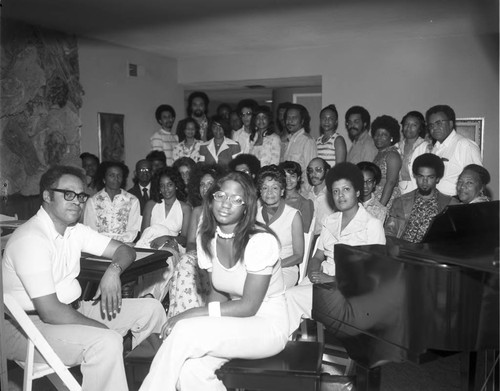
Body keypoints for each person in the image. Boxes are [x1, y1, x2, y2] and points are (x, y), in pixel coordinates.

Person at [2, 166, 165, 391]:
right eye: (68, 194)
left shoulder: (74, 231)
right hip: (26, 327)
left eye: (80, 196)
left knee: (151, 309)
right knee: (107, 342)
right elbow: (50, 312)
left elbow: (126, 250)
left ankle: (151, 385)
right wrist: (101, 328)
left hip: (73, 310)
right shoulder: (31, 239)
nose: (77, 201)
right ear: (47, 196)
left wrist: (113, 271)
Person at [139, 172, 289, 391]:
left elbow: (249, 306)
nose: (226, 204)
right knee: (190, 370)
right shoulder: (207, 238)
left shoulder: (261, 241)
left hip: (267, 325)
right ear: (211, 199)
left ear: (246, 206)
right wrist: (200, 317)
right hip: (236, 321)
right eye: (221, 195)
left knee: (184, 330)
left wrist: (189, 315)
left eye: (236, 199)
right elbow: (217, 294)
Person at [285, 162, 386, 335]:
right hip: (321, 281)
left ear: (358, 192)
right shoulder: (330, 221)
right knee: (286, 298)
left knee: (290, 298)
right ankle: (290, 345)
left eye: (346, 189)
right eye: (336, 191)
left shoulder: (372, 225)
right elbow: (317, 256)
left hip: (351, 289)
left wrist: (331, 279)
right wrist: (313, 272)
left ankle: (283, 347)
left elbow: (373, 272)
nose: (340, 196)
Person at [167, 164, 225, 318]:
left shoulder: (225, 209)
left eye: (209, 184)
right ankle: (183, 317)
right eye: (202, 184)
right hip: (199, 254)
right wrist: (201, 253)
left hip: (221, 256)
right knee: (185, 261)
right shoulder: (197, 211)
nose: (205, 188)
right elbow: (191, 242)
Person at [136, 167, 191, 300]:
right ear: (158, 188)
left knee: (167, 255)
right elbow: (144, 233)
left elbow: (185, 239)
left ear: (176, 185)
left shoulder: (185, 208)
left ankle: (152, 296)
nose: (166, 189)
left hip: (173, 244)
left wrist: (166, 237)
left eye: (170, 185)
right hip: (150, 243)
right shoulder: (151, 205)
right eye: (162, 186)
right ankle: (143, 297)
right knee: (150, 258)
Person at [413, 105, 482, 196]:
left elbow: (477, 180)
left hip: (456, 203)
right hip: (436, 202)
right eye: (431, 125)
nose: (435, 128)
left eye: (439, 123)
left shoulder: (464, 145)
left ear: (450, 123)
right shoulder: (435, 148)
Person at [385, 153, 453, 242]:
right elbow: (389, 233)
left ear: (437, 178)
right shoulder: (400, 202)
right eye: (421, 176)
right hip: (404, 251)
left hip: (434, 253)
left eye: (430, 177)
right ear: (415, 176)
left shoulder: (449, 204)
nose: (425, 181)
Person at [256, 165, 304, 289]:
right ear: (260, 192)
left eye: (275, 188)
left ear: (282, 191)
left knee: (264, 288)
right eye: (265, 188)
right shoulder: (255, 215)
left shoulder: (293, 215)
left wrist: (274, 266)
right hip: (257, 268)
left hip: (285, 269)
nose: (269, 192)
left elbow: (299, 255)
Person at [83, 161, 141, 243]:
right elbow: (90, 229)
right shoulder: (93, 201)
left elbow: (133, 230)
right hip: (98, 246)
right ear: (104, 179)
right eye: (111, 175)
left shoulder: (132, 200)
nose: (116, 179)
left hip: (123, 246)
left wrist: (118, 244)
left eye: (119, 175)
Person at [282, 103, 318, 193]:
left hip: (301, 194)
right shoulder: (288, 140)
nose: (290, 121)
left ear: (302, 121)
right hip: (288, 191)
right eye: (288, 118)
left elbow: (311, 172)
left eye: (294, 118)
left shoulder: (307, 141)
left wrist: (303, 195)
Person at [371, 115, 402, 208]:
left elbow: (391, 182)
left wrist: (380, 207)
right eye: (377, 134)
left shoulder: (392, 155)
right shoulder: (380, 153)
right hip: (376, 197)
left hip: (386, 200)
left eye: (384, 135)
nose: (378, 137)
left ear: (391, 138)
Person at [397, 111, 429, 194]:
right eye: (406, 124)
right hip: (399, 190)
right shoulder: (396, 147)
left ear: (420, 128)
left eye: (414, 125)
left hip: (418, 190)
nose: (409, 127)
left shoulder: (426, 147)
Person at [279, 161, 314, 233]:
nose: (288, 180)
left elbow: (304, 232)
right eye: (285, 176)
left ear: (298, 178)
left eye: (292, 176)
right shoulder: (275, 200)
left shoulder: (305, 204)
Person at [306, 158, 334, 237]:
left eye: (318, 170)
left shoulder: (332, 197)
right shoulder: (306, 195)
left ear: (327, 171)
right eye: (310, 171)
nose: (313, 174)